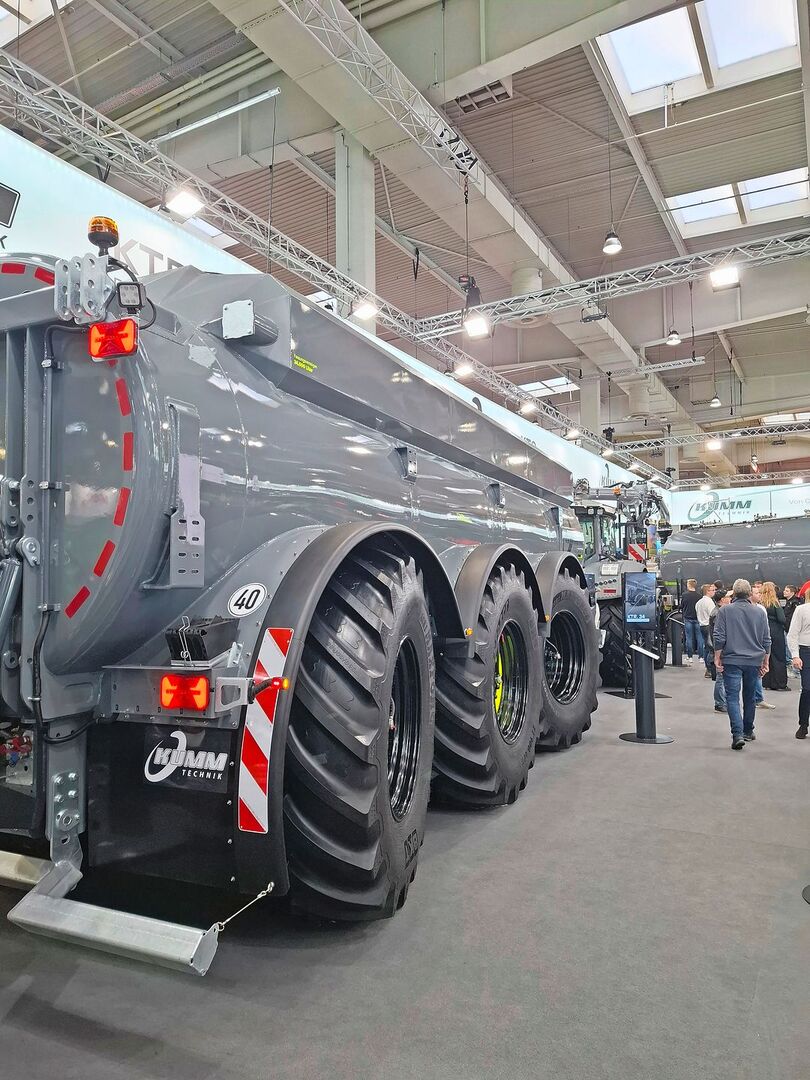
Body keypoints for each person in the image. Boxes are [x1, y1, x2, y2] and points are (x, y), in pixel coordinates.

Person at [714, 578, 771, 750]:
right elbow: (766, 639)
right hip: (753, 660)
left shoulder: (725, 611)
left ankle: (737, 734)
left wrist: (717, 657)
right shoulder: (760, 612)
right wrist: (766, 661)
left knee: (732, 697)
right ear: (749, 593)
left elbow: (719, 637)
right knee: (750, 696)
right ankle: (748, 730)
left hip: (731, 659)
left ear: (734, 593)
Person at [787, 590, 810, 738]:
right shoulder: (801, 610)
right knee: (807, 689)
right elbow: (793, 634)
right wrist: (795, 656)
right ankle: (803, 724)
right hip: (806, 651)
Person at [751, 583, 776, 711]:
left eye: (760, 593)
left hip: (758, 644)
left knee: (757, 673)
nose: (760, 595)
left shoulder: (761, 609)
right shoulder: (746, 609)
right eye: (757, 593)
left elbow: (765, 629)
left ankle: (758, 698)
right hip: (751, 645)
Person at [761, 581, 788, 690]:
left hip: (763, 631)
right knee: (779, 657)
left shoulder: (760, 604)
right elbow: (782, 619)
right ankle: (779, 683)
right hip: (776, 631)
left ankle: (766, 683)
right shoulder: (775, 603)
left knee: (767, 657)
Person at [708, 590, 732, 712]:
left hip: (720, 648)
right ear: (722, 599)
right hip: (720, 649)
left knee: (722, 677)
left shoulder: (719, 611)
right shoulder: (718, 614)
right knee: (721, 677)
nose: (730, 599)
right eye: (728, 597)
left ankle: (722, 702)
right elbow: (718, 635)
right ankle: (720, 703)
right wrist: (718, 652)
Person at [696, 584, 716, 677]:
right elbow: (713, 615)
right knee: (711, 648)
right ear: (707, 591)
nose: (714, 592)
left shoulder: (699, 602)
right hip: (708, 626)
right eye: (712, 590)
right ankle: (709, 669)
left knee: (706, 647)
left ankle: (707, 667)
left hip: (701, 625)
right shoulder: (709, 602)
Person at [681, 579, 700, 664]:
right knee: (700, 638)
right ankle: (701, 657)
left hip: (688, 618)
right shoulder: (699, 596)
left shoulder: (684, 595)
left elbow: (682, 605)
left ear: (689, 585)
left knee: (689, 638)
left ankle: (690, 657)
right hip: (697, 618)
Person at [783, 586, 801, 678]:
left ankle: (796, 670)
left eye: (787, 591)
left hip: (791, 629)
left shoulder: (795, 603)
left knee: (790, 649)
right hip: (787, 628)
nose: (784, 592)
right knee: (787, 648)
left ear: (792, 593)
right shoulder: (788, 602)